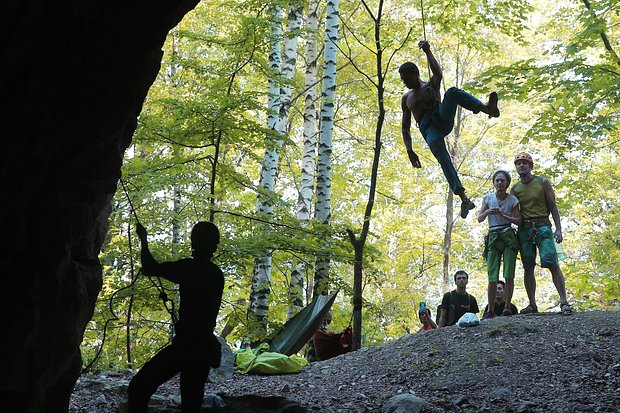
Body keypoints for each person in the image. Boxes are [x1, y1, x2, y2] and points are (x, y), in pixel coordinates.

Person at [128, 221, 225, 413]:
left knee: (139, 387)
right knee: (191, 403)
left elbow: (149, 267)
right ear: (214, 245)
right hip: (203, 348)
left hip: (186, 345)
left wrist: (144, 239)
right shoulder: (216, 274)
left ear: (194, 242)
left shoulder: (188, 268)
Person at [400, 40, 500, 219]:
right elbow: (405, 128)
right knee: (441, 153)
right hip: (428, 129)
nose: (404, 81)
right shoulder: (406, 98)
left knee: (452, 92)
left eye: (406, 77)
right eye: (402, 78)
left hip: (440, 115)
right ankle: (464, 199)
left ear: (415, 73)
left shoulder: (429, 85)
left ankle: (486, 109)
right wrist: (409, 150)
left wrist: (428, 51)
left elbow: (438, 73)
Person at [510, 152, 572, 315]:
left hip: (543, 226)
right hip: (524, 230)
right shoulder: (515, 189)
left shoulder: (542, 182)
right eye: (518, 164)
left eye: (524, 163)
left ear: (530, 166)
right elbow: (513, 211)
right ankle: (532, 304)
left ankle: (564, 302)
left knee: (551, 262)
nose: (521, 165)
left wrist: (558, 229)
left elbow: (553, 206)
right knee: (528, 266)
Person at [478, 170, 521, 319]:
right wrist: (489, 211)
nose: (500, 183)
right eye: (497, 180)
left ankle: (507, 306)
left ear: (507, 183)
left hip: (508, 236)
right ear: (494, 182)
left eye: (502, 181)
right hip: (493, 237)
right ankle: (490, 309)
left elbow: (518, 220)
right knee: (492, 275)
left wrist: (504, 215)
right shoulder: (488, 198)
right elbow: (479, 218)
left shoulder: (512, 200)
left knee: (509, 274)